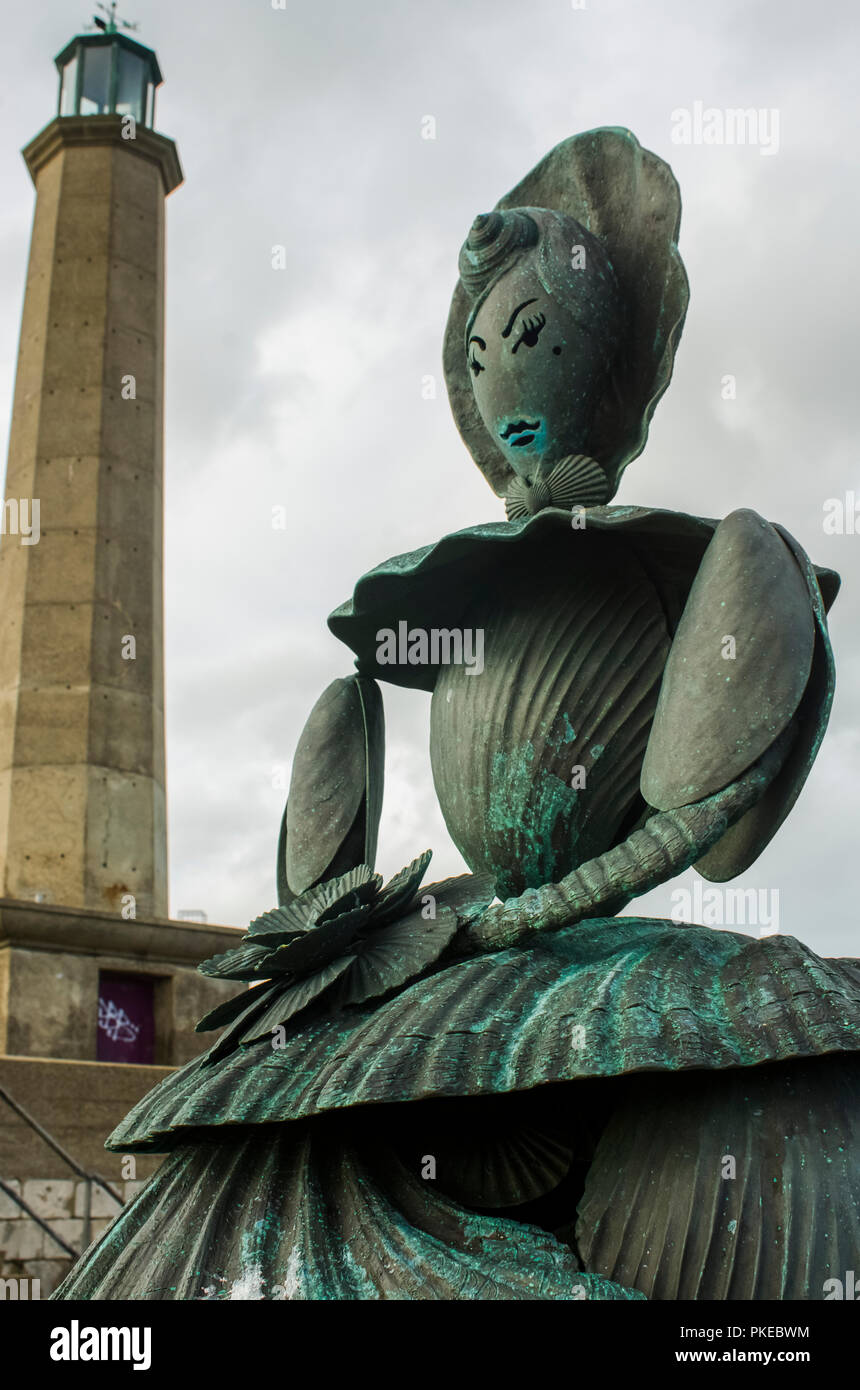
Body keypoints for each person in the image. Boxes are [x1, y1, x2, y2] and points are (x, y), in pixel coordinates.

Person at [54, 128, 860, 1302]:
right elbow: (348, 742)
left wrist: (628, 854)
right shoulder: (449, 594)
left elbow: (717, 813)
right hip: (473, 924)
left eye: (531, 342)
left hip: (574, 924)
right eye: (480, 355)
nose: (502, 382)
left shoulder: (686, 565)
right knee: (268, 1157)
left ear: (605, 356)